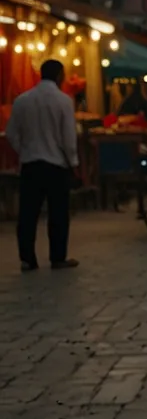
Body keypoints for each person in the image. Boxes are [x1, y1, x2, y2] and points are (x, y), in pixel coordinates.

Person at [9, 60, 80, 271]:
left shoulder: (22, 100)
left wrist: (25, 150)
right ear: (59, 75)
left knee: (28, 213)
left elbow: (12, 133)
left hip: (31, 164)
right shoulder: (63, 101)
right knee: (58, 213)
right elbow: (68, 138)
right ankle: (58, 257)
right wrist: (73, 162)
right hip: (56, 165)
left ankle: (27, 259)